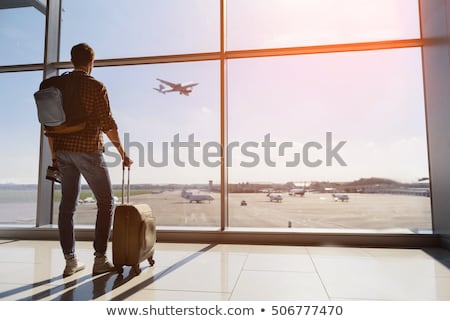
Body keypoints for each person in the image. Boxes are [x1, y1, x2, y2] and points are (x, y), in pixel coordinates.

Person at [49, 43, 132, 277]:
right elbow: (108, 124)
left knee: (67, 206)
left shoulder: (59, 85)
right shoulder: (95, 86)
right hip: (87, 149)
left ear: (72, 60)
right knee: (106, 202)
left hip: (63, 151)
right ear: (91, 63)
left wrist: (55, 156)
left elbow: (49, 125)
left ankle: (70, 261)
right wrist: (122, 153)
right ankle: (100, 259)